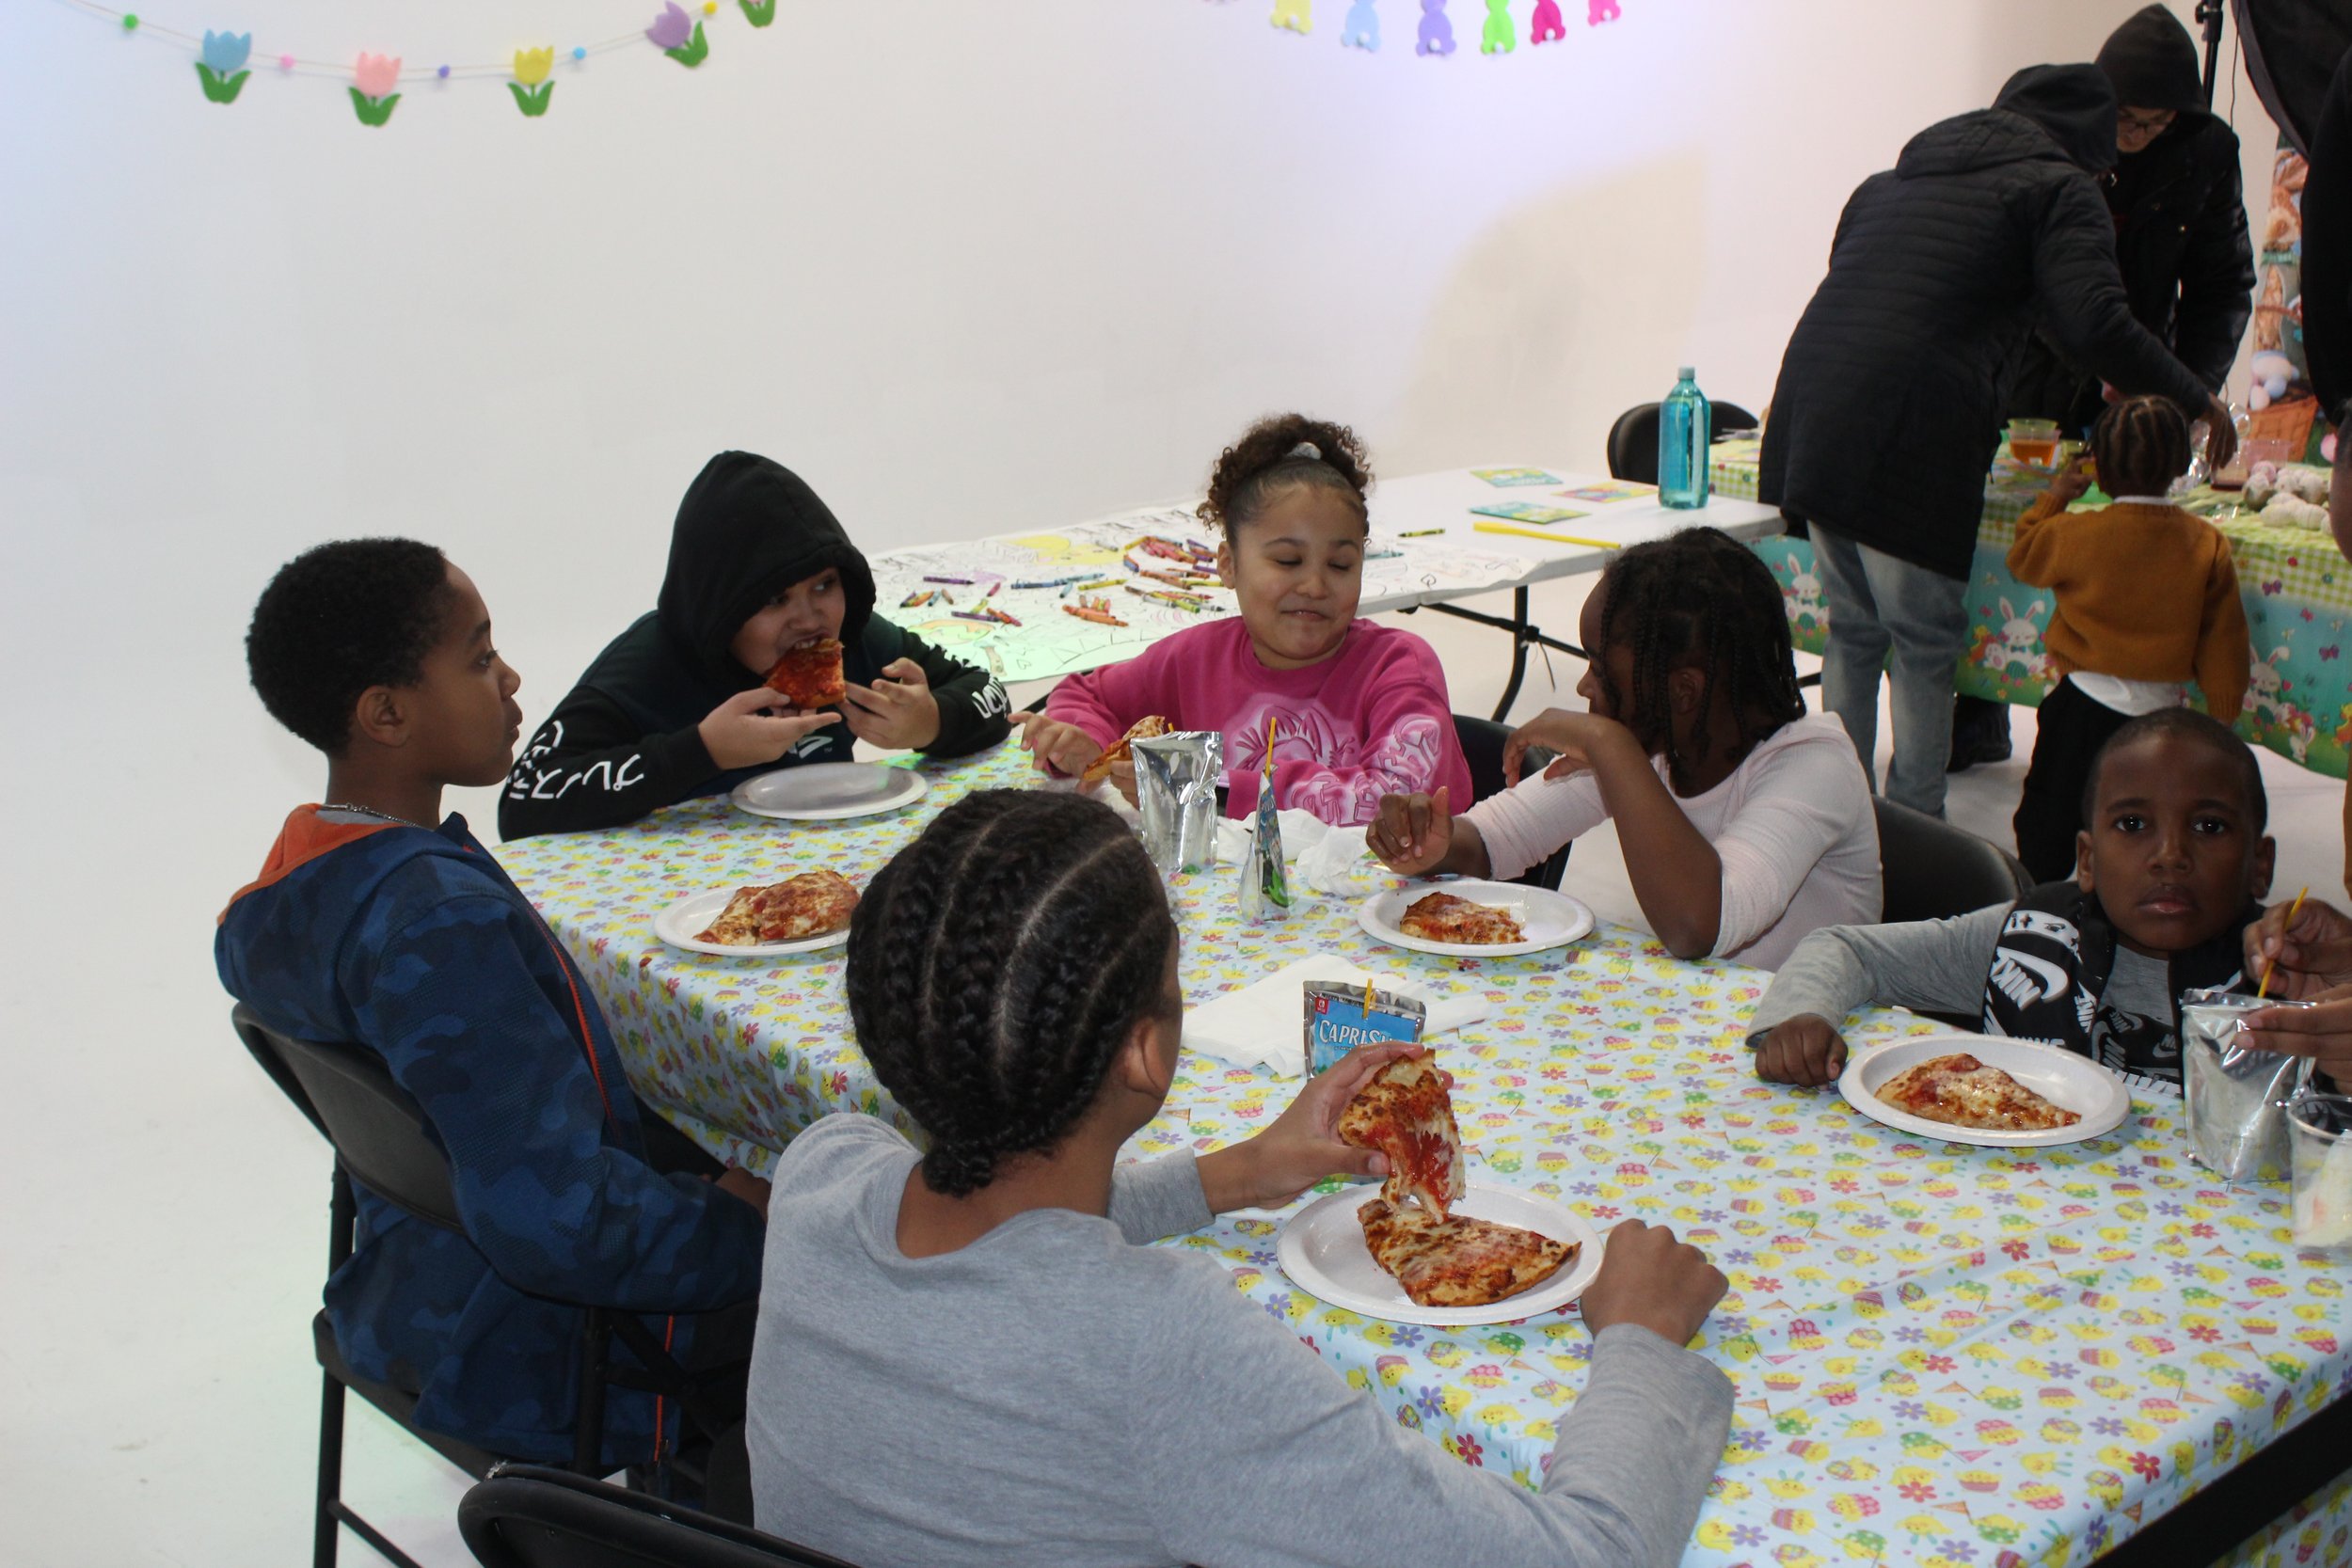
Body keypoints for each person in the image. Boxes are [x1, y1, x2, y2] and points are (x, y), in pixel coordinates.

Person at [744, 789, 1733, 1568]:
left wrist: (1233, 1173)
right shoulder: (1159, 1344)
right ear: (1145, 1052)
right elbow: (1580, 1555)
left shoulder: (821, 1172)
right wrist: (1642, 1344)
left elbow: (1012, 1229)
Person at [218, 539, 769, 1474]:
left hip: (402, 1293)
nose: (511, 678)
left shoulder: (294, 884)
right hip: (547, 1355)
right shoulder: (440, 926)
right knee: (880, 1250)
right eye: (478, 656)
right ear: (387, 711)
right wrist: (752, 1224)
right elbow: (559, 1221)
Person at [1760, 63, 2236, 818]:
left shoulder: (1890, 183)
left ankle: (1834, 819)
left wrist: (2097, 365)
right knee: (1921, 642)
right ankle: (1917, 831)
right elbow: (2094, 318)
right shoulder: (2059, 187)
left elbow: (1956, 294)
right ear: (2087, 144)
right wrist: (2196, 395)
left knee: (1853, 631)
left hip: (1813, 415)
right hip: (1909, 431)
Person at [1955, 7, 2259, 772]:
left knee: (2127, 536)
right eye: (2126, 118)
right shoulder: (2061, 130)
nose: (2138, 135)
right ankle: (1981, 701)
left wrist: (2188, 392)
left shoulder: (2208, 152)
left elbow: (2222, 286)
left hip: (2139, 369)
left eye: (2157, 123)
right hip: (2039, 358)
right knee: (2008, 521)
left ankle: (2117, 698)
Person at [1366, 527, 1880, 970]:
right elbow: (1494, 840)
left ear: (1683, 691)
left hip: (1816, 1053)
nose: (1585, 686)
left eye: (1600, 669)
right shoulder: (1658, 746)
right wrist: (1432, 842)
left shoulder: (1815, 764)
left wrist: (1608, 743)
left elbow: (1697, 927)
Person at [1748, 709, 2273, 1090]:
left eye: (2210, 826)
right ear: (2086, 861)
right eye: (2133, 824)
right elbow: (1846, 948)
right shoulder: (2033, 941)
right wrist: (1803, 1016)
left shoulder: (2288, 975)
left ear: (2260, 865)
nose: (2170, 855)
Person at [500, 451, 1010, 840]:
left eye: (824, 585)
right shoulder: (649, 665)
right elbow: (523, 804)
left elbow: (990, 692)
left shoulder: (854, 638)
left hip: (828, 868)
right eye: (774, 599)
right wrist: (702, 750)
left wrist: (933, 720)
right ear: (719, 609)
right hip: (682, 901)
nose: (809, 618)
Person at [1012, 413, 1473, 825]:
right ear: (1229, 565)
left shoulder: (1398, 666)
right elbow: (1086, 695)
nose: (1315, 586)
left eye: (1340, 566)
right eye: (1288, 561)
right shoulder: (1195, 657)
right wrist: (1085, 742)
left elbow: (1400, 803)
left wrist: (1210, 789)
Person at [2005, 396, 2249, 882]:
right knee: (2139, 823)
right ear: (2182, 464)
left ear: (2097, 469)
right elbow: (2225, 635)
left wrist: (2056, 496)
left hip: (2080, 706)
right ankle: (2126, 910)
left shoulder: (2077, 532)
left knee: (2048, 819)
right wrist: (2221, 711)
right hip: (2160, 718)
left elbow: (2023, 556)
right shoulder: (2205, 541)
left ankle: (2038, 909)